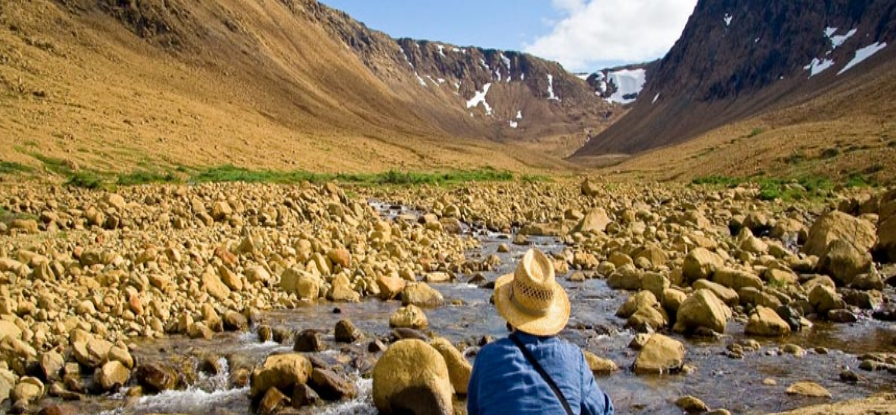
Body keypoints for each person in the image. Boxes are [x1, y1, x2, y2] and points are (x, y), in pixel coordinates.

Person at [467, 249, 614, 415]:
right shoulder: (574, 359)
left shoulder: (487, 358)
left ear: (510, 314)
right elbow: (604, 411)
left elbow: (474, 410)